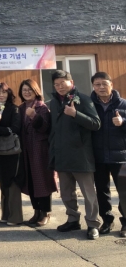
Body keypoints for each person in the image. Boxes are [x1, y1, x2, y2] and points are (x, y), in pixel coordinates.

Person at [49, 70, 101, 240]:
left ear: (71, 82)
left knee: (88, 194)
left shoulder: (83, 99)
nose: (59, 87)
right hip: (62, 155)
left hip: (81, 155)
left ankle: (93, 224)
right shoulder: (54, 103)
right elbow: (54, 129)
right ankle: (73, 220)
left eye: (62, 83)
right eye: (56, 84)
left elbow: (96, 123)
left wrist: (75, 114)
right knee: (66, 193)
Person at [90, 72, 126, 237]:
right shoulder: (90, 105)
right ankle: (107, 221)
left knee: (124, 191)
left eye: (104, 83)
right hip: (98, 157)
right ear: (93, 87)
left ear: (111, 84)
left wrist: (123, 122)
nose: (101, 87)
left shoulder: (123, 104)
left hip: (121, 157)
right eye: (97, 84)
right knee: (102, 191)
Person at [18, 79, 55, 227]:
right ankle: (36, 210)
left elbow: (45, 128)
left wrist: (34, 116)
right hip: (25, 148)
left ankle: (45, 213)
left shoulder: (41, 107)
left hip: (39, 148)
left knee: (42, 180)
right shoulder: (21, 108)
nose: (27, 92)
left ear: (36, 91)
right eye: (24, 90)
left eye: (29, 89)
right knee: (30, 181)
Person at [0, 83, 24, 226]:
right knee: (4, 182)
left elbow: (15, 128)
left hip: (12, 150)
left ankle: (15, 217)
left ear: (9, 94)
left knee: (13, 181)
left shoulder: (14, 108)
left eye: (4, 92)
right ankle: (5, 214)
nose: (1, 95)